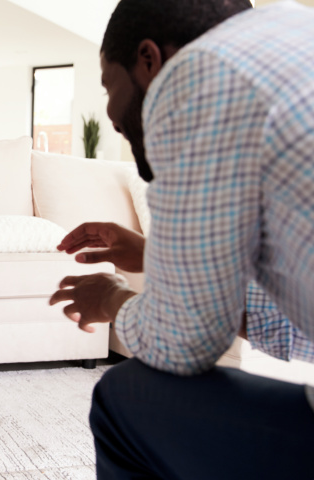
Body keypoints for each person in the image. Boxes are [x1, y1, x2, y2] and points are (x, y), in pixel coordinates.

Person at [49, 0, 314, 478]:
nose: (110, 116)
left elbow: (184, 344)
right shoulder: (296, 33)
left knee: (124, 397)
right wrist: (158, 256)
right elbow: (298, 328)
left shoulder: (196, 73)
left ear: (149, 60)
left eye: (109, 85)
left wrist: (111, 298)